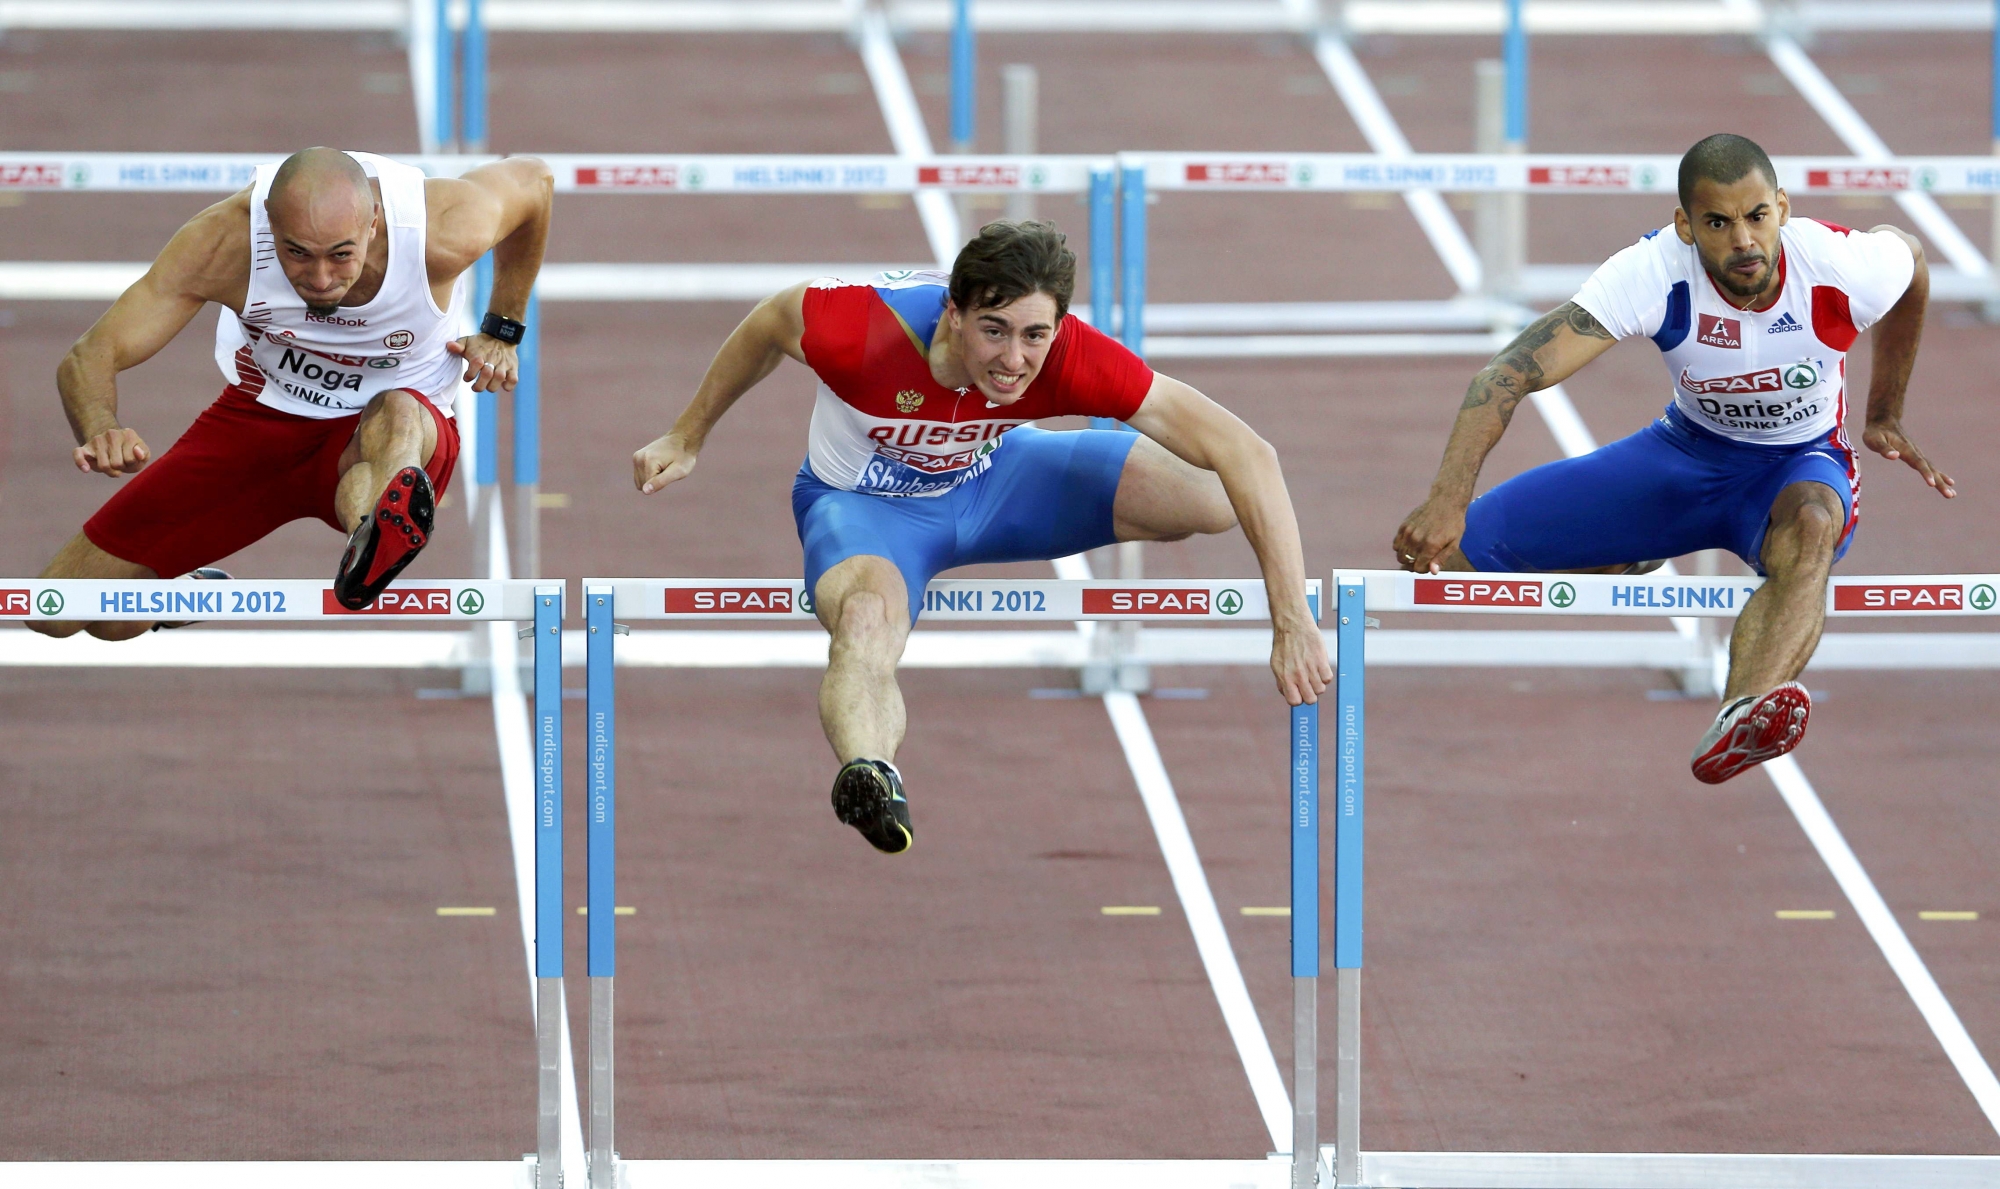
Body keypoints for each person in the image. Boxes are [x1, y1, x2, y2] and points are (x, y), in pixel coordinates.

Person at [633, 221, 1331, 853]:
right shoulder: (861, 330)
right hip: (866, 509)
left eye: (1035, 335)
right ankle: (870, 773)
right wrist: (687, 432)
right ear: (953, 312)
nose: (1014, 360)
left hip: (997, 480)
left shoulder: (1067, 356)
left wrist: (1292, 619)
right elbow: (764, 325)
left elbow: (1250, 453)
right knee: (867, 620)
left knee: (1213, 495)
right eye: (994, 330)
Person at [1394, 133, 1945, 784]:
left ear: (1783, 209)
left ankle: (1741, 710)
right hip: (1683, 458)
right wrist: (1447, 498)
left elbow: (1910, 262)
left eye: (1756, 216)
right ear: (1685, 225)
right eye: (1718, 222)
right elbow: (1509, 373)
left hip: (1794, 466)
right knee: (1444, 563)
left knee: (1816, 523)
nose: (1743, 241)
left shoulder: (1839, 266)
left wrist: (1885, 410)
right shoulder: (1654, 270)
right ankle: (1630, 547)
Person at [31, 146, 553, 637]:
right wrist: (101, 426)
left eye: (340, 255)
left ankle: (376, 536)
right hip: (262, 422)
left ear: (373, 222)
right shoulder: (225, 242)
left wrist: (503, 327)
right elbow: (91, 353)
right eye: (297, 253)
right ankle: (182, 595)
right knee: (62, 610)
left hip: (393, 432)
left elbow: (534, 180)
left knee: (396, 410)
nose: (321, 278)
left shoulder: (438, 230)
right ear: (269, 230)